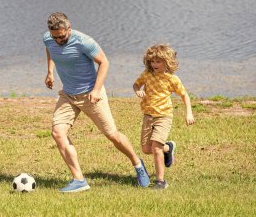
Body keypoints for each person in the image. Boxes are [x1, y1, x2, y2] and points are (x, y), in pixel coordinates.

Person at [43, 12, 149, 192]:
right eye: (55, 37)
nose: (58, 40)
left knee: (112, 135)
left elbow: (104, 62)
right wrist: (50, 71)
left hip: (91, 94)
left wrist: (97, 90)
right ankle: (79, 180)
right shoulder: (49, 39)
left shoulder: (84, 41)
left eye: (62, 36)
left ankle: (138, 165)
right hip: (68, 94)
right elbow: (50, 50)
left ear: (69, 29)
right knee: (58, 133)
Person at [133, 43, 195, 189]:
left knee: (155, 148)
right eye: (152, 61)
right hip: (148, 115)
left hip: (164, 116)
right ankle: (169, 148)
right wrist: (138, 91)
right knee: (146, 149)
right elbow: (136, 84)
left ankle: (160, 181)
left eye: (158, 61)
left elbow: (184, 95)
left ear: (167, 62)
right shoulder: (147, 75)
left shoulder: (172, 79)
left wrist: (189, 113)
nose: (154, 64)